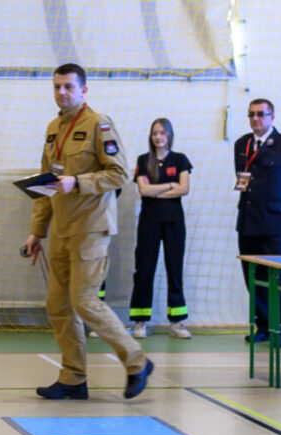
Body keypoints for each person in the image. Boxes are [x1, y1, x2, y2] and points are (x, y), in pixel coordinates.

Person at [21, 63, 153, 400]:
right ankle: (73, 377)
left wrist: (78, 181)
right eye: (57, 87)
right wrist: (37, 231)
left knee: (84, 301)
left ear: (83, 89)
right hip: (62, 230)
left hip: (92, 229)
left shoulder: (99, 124)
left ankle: (137, 361)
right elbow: (45, 184)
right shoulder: (53, 128)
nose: (62, 92)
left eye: (68, 86)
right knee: (58, 305)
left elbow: (120, 173)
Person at [234, 98, 281, 347]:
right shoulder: (241, 144)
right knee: (253, 276)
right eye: (252, 114)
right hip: (248, 221)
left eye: (261, 114)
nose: (256, 119)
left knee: (277, 278)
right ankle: (264, 327)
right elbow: (243, 180)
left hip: (275, 224)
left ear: (272, 117)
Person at [128, 119, 193, 340]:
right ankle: (140, 321)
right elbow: (143, 191)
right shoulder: (143, 160)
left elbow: (184, 188)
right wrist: (168, 185)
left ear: (170, 136)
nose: (158, 137)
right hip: (149, 222)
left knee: (174, 269)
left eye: (163, 133)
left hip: (174, 222)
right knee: (144, 269)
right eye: (155, 133)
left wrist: (158, 190)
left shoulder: (180, 159)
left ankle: (177, 322)